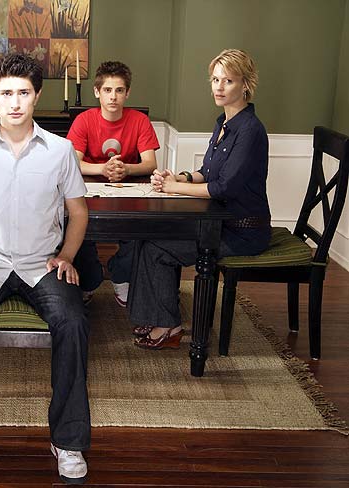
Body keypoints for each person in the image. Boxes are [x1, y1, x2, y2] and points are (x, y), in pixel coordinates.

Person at [0, 53, 90, 485]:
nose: (15, 102)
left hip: (42, 266)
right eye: (6, 93)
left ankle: (68, 442)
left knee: (74, 320)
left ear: (37, 95)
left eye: (23, 92)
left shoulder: (61, 151)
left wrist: (66, 256)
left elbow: (78, 213)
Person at [132, 48, 270, 350]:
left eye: (228, 81)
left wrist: (173, 188)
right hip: (217, 222)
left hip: (243, 231)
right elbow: (207, 172)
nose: (219, 87)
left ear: (245, 84)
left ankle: (168, 327)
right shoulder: (224, 123)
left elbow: (222, 188)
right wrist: (180, 177)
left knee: (157, 248)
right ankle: (156, 316)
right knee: (148, 236)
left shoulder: (250, 130)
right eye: (215, 80)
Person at [67, 61, 159, 306]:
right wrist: (102, 169)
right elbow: (73, 162)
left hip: (128, 191)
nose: (113, 97)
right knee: (78, 229)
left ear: (127, 93)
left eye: (119, 90)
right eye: (107, 90)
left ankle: (120, 275)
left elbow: (150, 163)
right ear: (97, 92)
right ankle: (89, 280)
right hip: (89, 191)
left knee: (139, 232)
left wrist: (126, 168)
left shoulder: (139, 120)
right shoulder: (84, 120)